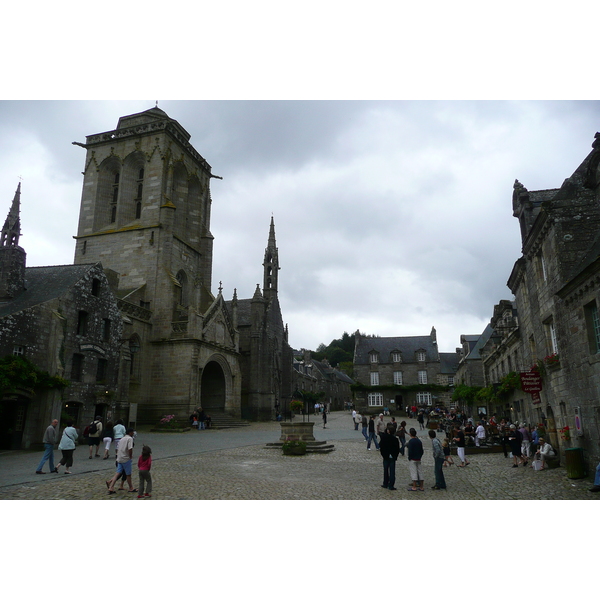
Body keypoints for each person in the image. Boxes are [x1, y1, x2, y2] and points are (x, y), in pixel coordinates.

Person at [106, 427, 137, 494]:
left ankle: (111, 487)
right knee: (128, 474)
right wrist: (130, 456)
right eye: (132, 432)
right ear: (130, 433)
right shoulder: (130, 439)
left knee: (118, 473)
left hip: (119, 458)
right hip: (126, 458)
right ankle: (131, 488)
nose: (133, 433)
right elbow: (130, 448)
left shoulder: (122, 438)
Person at [379, 424, 400, 490]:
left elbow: (381, 446)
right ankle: (391, 485)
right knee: (392, 471)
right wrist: (395, 456)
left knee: (386, 470)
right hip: (392, 456)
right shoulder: (395, 439)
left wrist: (383, 454)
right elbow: (397, 449)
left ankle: (385, 483)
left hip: (385, 456)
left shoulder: (384, 437)